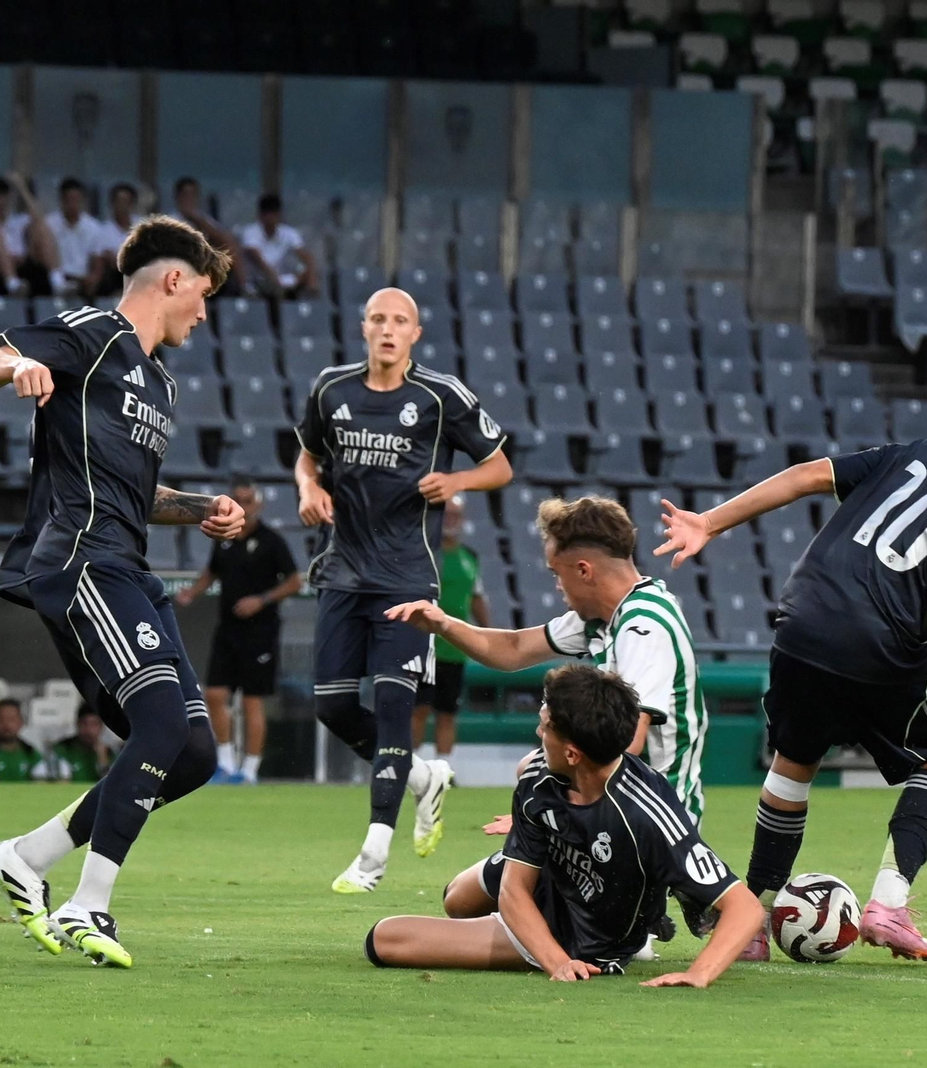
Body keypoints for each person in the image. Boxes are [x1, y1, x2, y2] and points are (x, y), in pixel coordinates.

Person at [654, 395, 927, 963]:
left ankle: (752, 923)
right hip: (879, 643)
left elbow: (807, 476)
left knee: (794, 762)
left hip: (802, 619)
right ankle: (888, 905)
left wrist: (709, 522)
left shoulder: (921, 452)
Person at [0, 214, 242, 969]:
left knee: (191, 752)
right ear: (175, 280)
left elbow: (137, 490)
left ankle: (27, 856)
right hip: (82, 560)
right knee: (158, 722)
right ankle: (91, 905)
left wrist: (201, 509)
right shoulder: (94, 331)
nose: (205, 313)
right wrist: (16, 369)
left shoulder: (158, 381)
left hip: (130, 566)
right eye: (205, 295)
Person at [295, 286, 513, 893]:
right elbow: (307, 457)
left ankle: (372, 854)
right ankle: (424, 778)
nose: (388, 330)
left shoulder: (442, 396)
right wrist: (308, 490)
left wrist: (459, 479)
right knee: (333, 707)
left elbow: (501, 464)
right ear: (363, 327)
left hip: (407, 581)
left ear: (415, 334)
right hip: (340, 572)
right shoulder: (330, 389)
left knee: (394, 711)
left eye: (401, 321)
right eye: (378, 319)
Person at [364, 664, 764, 987]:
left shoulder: (647, 814)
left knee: (384, 939)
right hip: (547, 881)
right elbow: (514, 893)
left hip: (579, 937)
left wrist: (698, 974)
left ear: (572, 753)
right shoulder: (538, 777)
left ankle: (613, 931)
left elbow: (744, 908)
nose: (538, 734)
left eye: (545, 728)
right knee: (456, 900)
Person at [389, 495, 709, 822]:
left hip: (654, 817)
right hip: (619, 800)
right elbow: (513, 650)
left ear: (583, 570)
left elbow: (629, 743)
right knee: (531, 768)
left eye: (557, 573)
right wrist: (443, 624)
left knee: (505, 851)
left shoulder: (644, 627)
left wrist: (551, 810)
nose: (557, 586)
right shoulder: (604, 615)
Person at [175, 475, 303, 785]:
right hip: (228, 627)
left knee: (251, 700)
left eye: (248, 500)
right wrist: (192, 592)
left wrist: (262, 600)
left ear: (258, 504)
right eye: (238, 499)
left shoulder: (272, 541)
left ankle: (249, 770)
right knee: (215, 694)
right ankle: (225, 763)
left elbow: (295, 581)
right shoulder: (225, 539)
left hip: (260, 631)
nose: (243, 505)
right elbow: (212, 571)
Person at [409, 495, 489, 760]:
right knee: (418, 708)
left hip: (455, 647)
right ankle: (412, 765)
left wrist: (487, 633)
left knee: (447, 712)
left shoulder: (471, 558)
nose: (451, 520)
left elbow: (476, 598)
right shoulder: (425, 554)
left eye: (456, 515)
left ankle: (444, 768)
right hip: (423, 645)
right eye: (447, 514)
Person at [237, 193, 319, 299]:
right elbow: (256, 257)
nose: (271, 218)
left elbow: (305, 256)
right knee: (274, 288)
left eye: (274, 214)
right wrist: (273, 277)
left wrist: (311, 278)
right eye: (267, 214)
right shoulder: (250, 232)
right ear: (261, 215)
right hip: (259, 281)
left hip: (280, 280)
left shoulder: (289, 233)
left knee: (307, 274)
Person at [169, 177, 243, 291]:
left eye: (193, 195)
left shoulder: (203, 219)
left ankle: (245, 288)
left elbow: (224, 241)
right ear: (178, 197)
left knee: (230, 247)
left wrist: (196, 219)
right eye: (186, 195)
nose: (190, 199)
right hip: (180, 268)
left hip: (205, 267)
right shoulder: (170, 220)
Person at [44, 177, 108, 298]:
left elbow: (97, 258)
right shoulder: (49, 223)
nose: (73, 204)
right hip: (58, 276)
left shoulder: (93, 226)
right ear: (62, 200)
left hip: (82, 279)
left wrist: (93, 279)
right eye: (69, 200)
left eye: (77, 200)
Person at [0, 698, 51, 782]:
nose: (7, 725)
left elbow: (40, 785)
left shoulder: (32, 753)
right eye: (2, 720)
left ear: (21, 723)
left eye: (12, 720)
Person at [53, 705, 114, 782]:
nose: (89, 730)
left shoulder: (110, 753)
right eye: (84, 723)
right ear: (77, 724)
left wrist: (103, 760)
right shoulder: (63, 748)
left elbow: (111, 785)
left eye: (94, 724)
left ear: (101, 727)